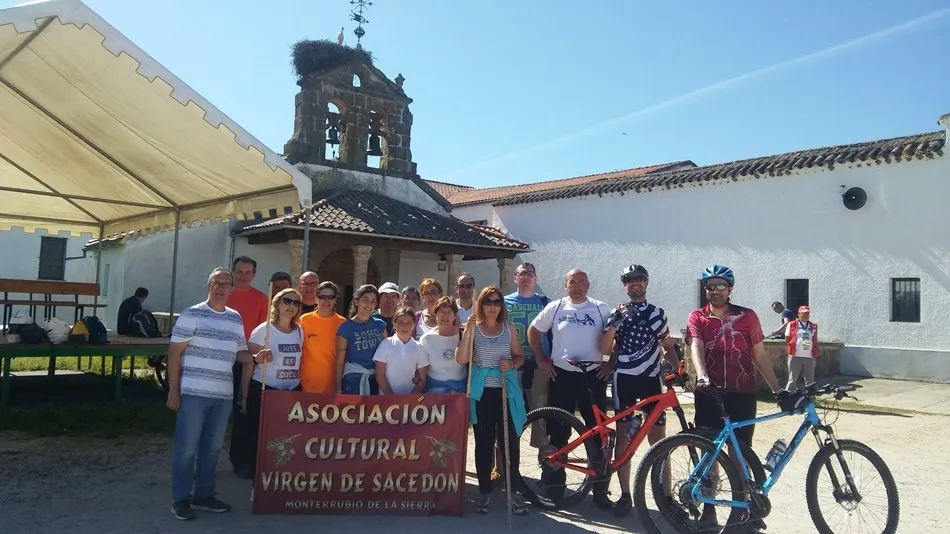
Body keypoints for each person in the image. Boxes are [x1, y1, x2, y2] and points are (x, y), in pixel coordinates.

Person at [687, 265, 805, 529]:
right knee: (711, 457)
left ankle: (742, 513)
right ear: (705, 289)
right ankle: (709, 509)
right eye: (710, 286)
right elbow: (696, 346)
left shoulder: (747, 317)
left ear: (730, 288)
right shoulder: (697, 317)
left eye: (720, 286)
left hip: (742, 393)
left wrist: (778, 390)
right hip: (710, 394)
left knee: (740, 455)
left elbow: (760, 356)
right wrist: (703, 375)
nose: (715, 291)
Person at [166, 267, 272, 520]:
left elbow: (238, 353)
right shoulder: (192, 314)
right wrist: (173, 390)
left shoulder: (235, 318)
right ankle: (180, 499)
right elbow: (174, 353)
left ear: (232, 288)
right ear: (208, 285)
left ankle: (204, 494)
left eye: (226, 283)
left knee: (212, 448)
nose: (221, 287)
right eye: (217, 282)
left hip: (223, 394)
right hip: (193, 392)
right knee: (187, 448)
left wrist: (255, 358)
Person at [528, 268, 613, 509]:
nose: (576, 285)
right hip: (562, 375)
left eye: (581, 281)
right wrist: (541, 360)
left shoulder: (601, 308)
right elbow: (533, 331)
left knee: (598, 434)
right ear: (565, 285)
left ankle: (599, 491)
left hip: (593, 377)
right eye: (571, 282)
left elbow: (618, 336)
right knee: (558, 433)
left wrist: (612, 364)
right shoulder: (555, 307)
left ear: (588, 285)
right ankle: (555, 487)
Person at [600, 264, 680, 516]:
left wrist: (678, 368)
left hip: (650, 380)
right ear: (625, 285)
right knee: (624, 437)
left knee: (660, 439)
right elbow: (604, 348)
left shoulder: (657, 313)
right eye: (629, 280)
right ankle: (625, 495)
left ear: (646, 283)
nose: (635, 284)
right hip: (624, 379)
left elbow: (667, 343)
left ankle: (665, 497)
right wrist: (614, 323)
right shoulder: (617, 311)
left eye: (639, 279)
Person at [455, 286, 529, 516]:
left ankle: (513, 491)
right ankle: (485, 492)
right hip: (482, 392)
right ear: (481, 304)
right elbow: (462, 359)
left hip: (505, 391)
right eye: (488, 301)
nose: (493, 306)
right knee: (484, 443)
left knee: (510, 444)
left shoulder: (508, 329)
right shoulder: (473, 329)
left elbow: (519, 356)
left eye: (497, 302)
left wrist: (513, 364)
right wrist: (468, 331)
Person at [242, 288, 304, 474]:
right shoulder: (264, 330)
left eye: (296, 303)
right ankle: (258, 479)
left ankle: (280, 477)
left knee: (287, 438)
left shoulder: (299, 331)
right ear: (277, 304)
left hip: (291, 391)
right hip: (265, 389)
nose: (291, 306)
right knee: (260, 437)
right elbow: (247, 363)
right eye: (287, 301)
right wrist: (244, 398)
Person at [225, 256, 269, 479]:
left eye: (248, 272)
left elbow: (264, 332)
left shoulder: (261, 299)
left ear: (254, 274)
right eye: (239, 271)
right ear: (233, 272)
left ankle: (240, 460)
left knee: (243, 410)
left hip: (248, 362)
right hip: (222, 359)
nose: (243, 276)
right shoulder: (223, 295)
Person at [336, 284, 388, 395]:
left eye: (373, 301)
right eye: (365, 300)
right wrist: (338, 389)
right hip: (353, 381)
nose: (369, 305)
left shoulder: (380, 325)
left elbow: (388, 356)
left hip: (376, 379)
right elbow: (340, 361)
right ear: (356, 302)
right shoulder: (345, 328)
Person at [299, 281, 346, 393]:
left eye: (331, 297)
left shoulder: (343, 323)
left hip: (332, 387)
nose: (326, 301)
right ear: (316, 299)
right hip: (305, 387)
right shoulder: (304, 320)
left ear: (335, 300)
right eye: (322, 297)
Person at [374, 307, 429, 394]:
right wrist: (391, 397)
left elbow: (422, 379)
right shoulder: (385, 344)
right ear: (394, 325)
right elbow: (379, 375)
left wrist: (411, 399)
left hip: (409, 402)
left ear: (414, 325)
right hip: (386, 399)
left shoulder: (419, 347)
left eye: (409, 323)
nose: (405, 326)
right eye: (400, 323)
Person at [420, 296, 466, 394]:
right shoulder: (426, 339)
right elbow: (421, 368)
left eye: (449, 312)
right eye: (441, 312)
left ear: (455, 316)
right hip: (434, 393)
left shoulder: (463, 336)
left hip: (459, 393)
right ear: (435, 314)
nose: (445, 316)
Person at [785, 305, 819, 390]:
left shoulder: (812, 325)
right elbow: (787, 338)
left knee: (810, 380)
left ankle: (810, 399)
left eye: (807, 313)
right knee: (792, 380)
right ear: (799, 314)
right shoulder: (792, 324)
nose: (806, 315)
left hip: (809, 357)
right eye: (804, 313)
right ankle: (788, 398)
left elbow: (815, 339)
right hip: (795, 356)